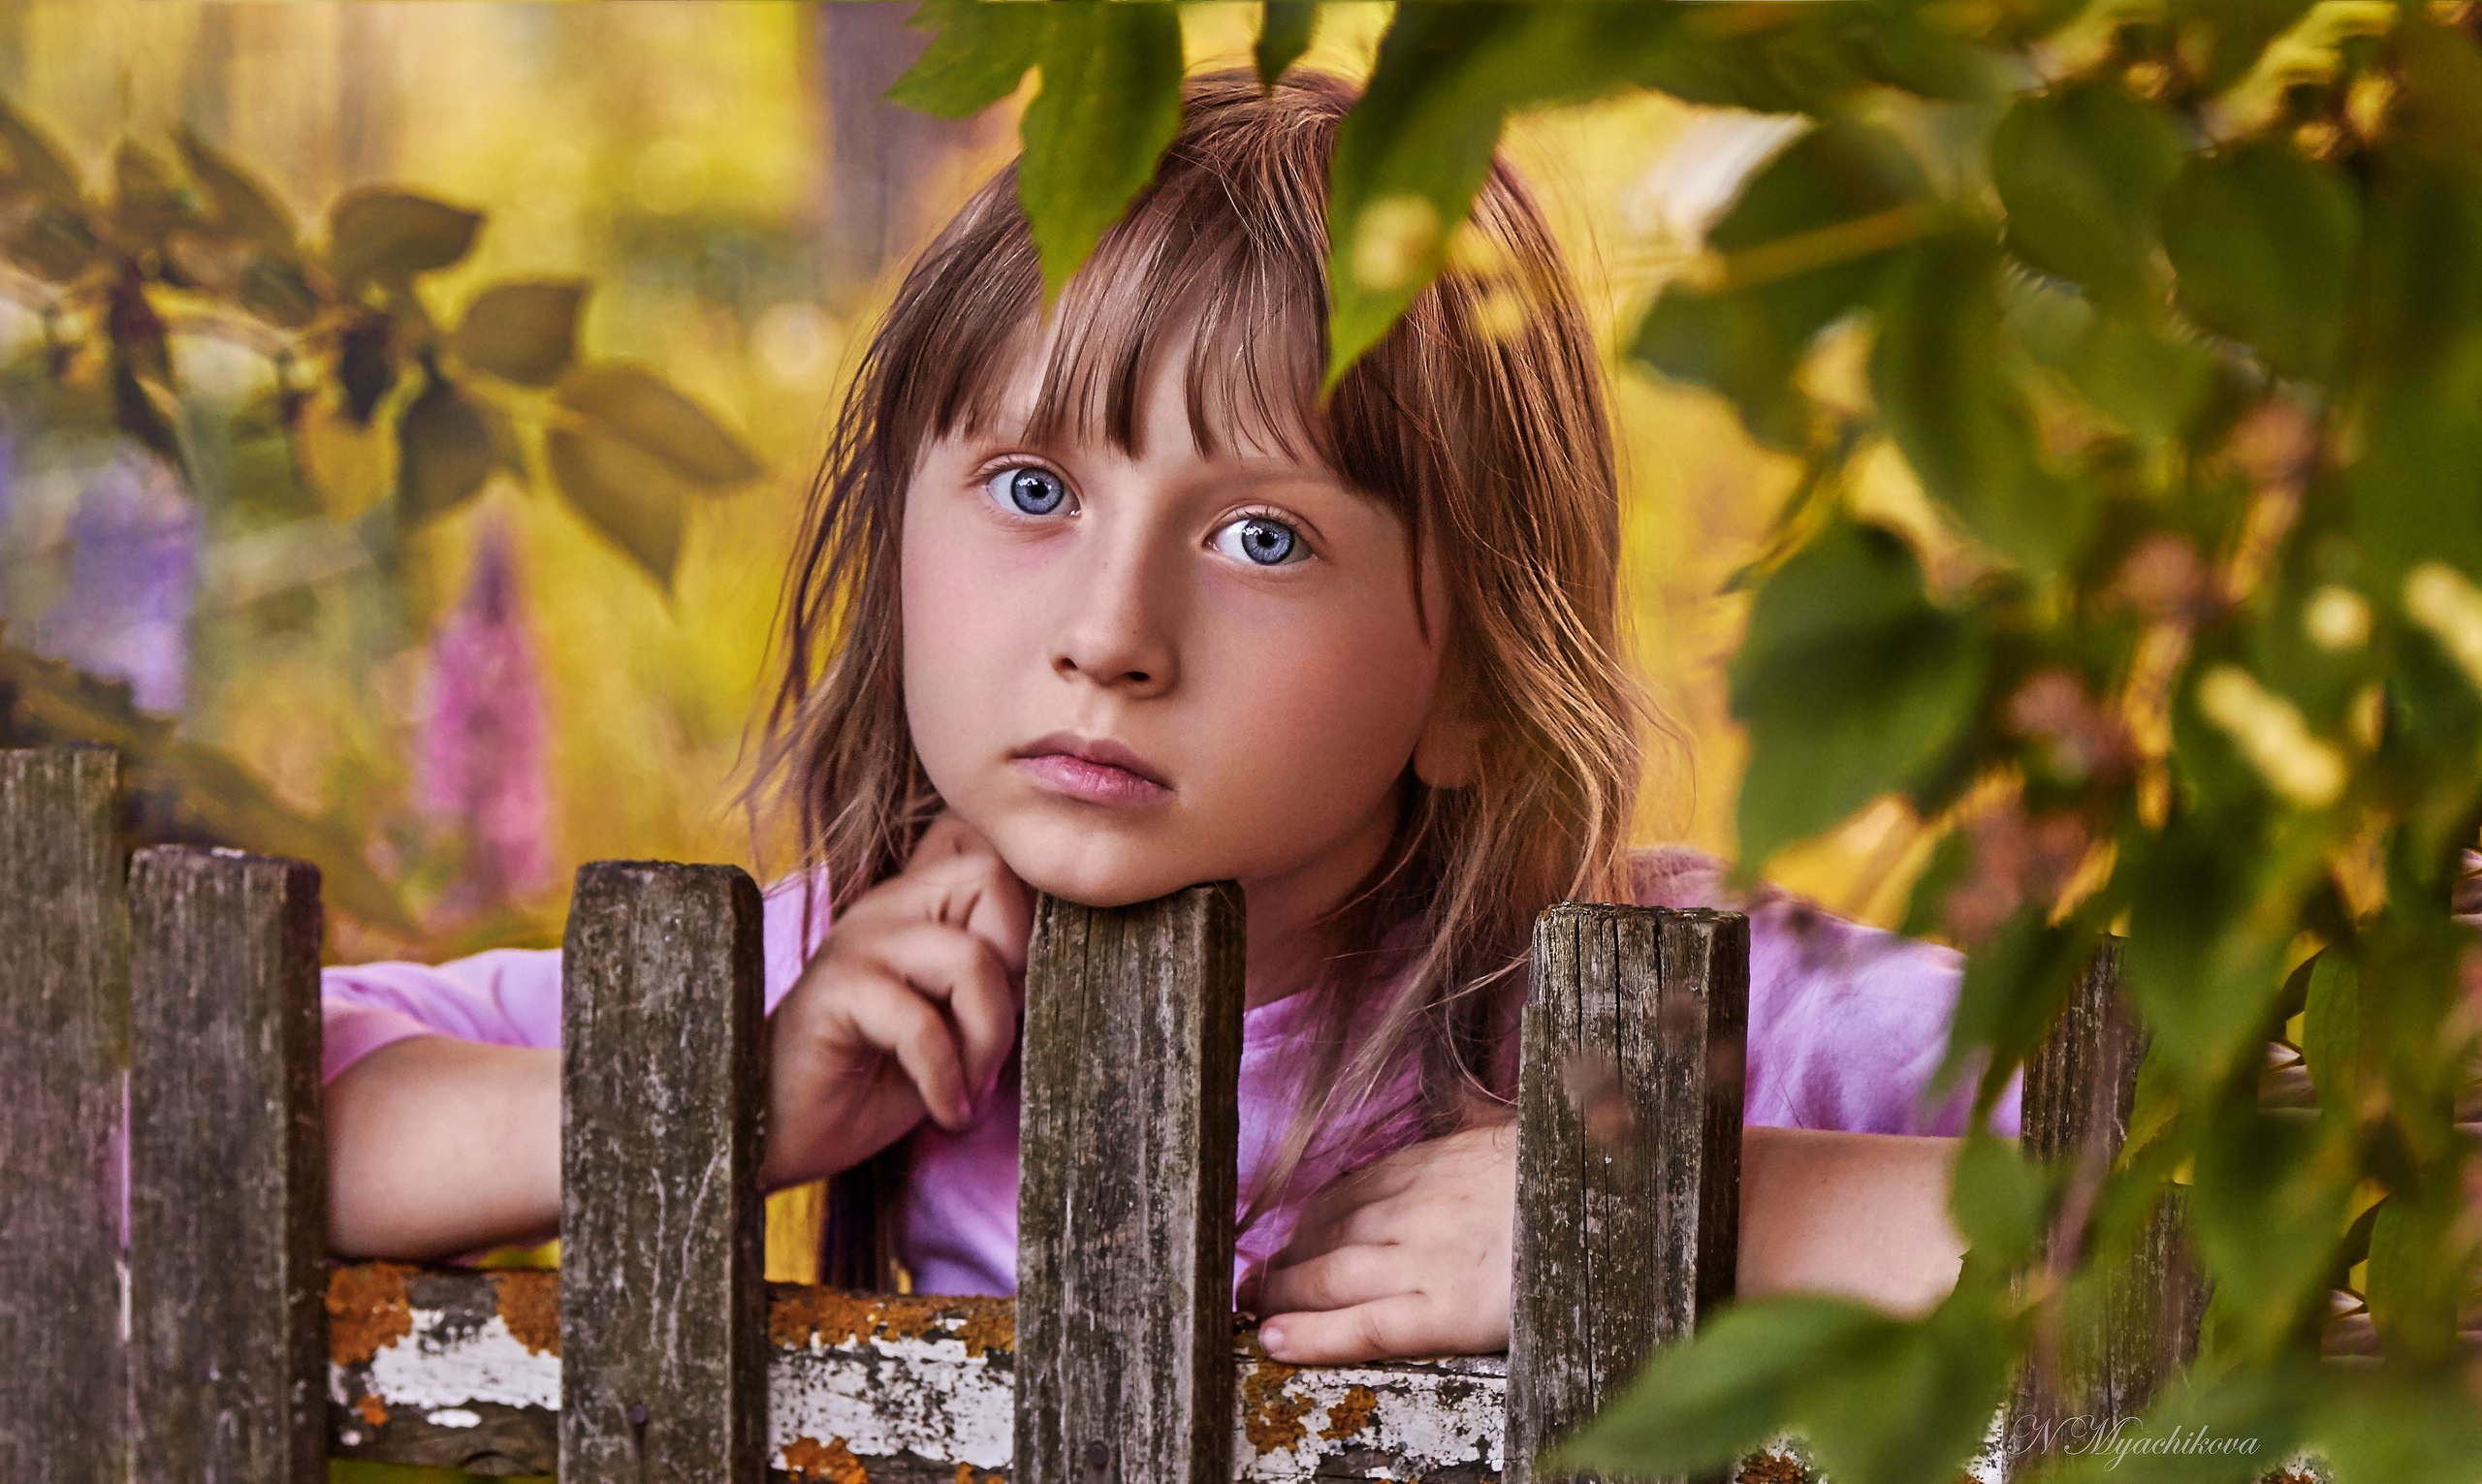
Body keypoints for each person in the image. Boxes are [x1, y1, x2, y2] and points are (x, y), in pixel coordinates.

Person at [321, 68, 2022, 1367]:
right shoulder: (861, 995)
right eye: (1033, 485)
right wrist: (721, 1104)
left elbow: (2222, 1203)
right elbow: (186, 1111)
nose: (1109, 636)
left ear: (1477, 690)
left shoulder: (1680, 1019)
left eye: (1263, 538)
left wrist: (1686, 1209)